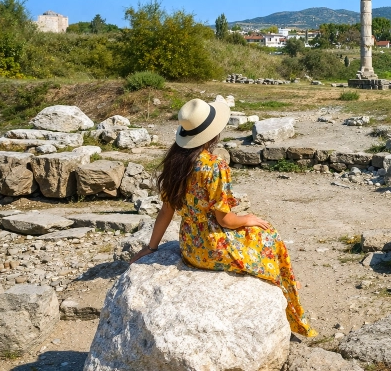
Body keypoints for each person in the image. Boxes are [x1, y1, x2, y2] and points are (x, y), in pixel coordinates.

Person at [130, 98, 317, 337]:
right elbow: (225, 220)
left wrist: (151, 247)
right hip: (213, 246)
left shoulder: (175, 163)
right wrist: (247, 219)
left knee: (259, 234)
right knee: (267, 233)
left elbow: (166, 210)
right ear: (213, 134)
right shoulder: (214, 166)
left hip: (190, 247)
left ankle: (282, 279)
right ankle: (284, 283)